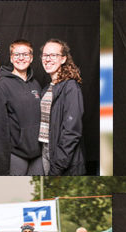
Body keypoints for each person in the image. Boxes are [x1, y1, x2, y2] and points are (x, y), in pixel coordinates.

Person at [0, 40, 43, 175]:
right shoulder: (1, 85)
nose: (21, 58)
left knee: (35, 193)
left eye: (25, 54)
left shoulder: (36, 84)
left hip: (38, 154)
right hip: (15, 155)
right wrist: (2, 165)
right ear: (11, 58)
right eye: (17, 54)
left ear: (31, 58)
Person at [39, 39, 85, 175]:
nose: (48, 59)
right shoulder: (46, 89)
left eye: (53, 55)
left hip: (63, 158)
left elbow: (72, 131)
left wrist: (58, 165)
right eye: (45, 55)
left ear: (63, 59)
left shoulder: (70, 87)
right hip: (46, 150)